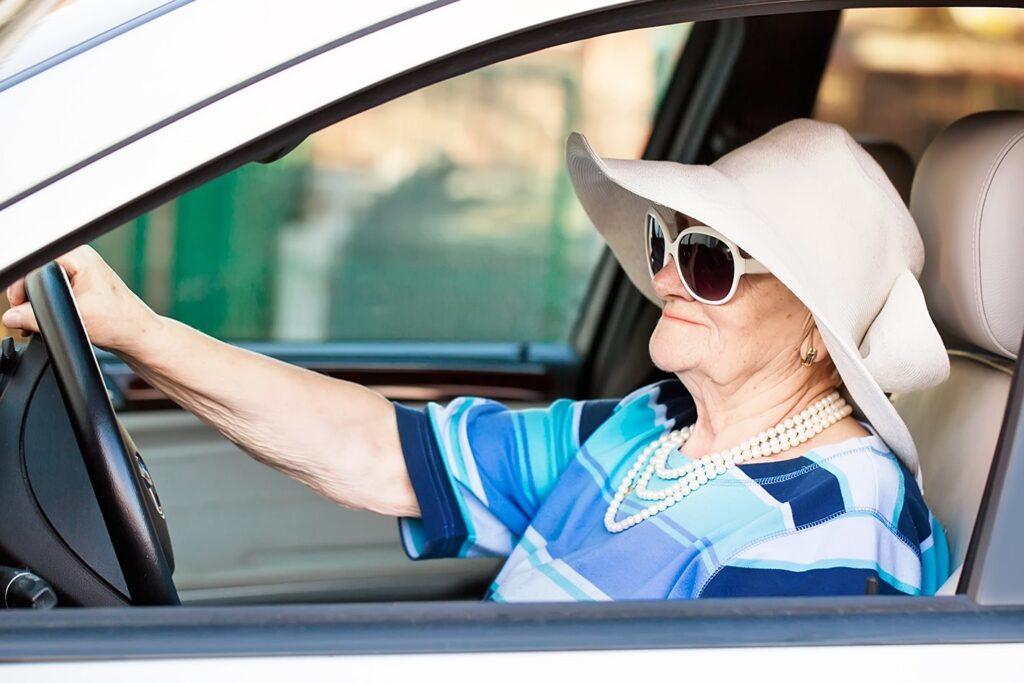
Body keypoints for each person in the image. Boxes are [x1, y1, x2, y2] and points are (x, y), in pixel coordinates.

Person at [2, 119, 952, 600]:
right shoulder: (649, 430)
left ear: (814, 331)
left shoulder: (827, 528)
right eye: (668, 241)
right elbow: (378, 450)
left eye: (709, 261)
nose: (664, 274)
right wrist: (133, 327)